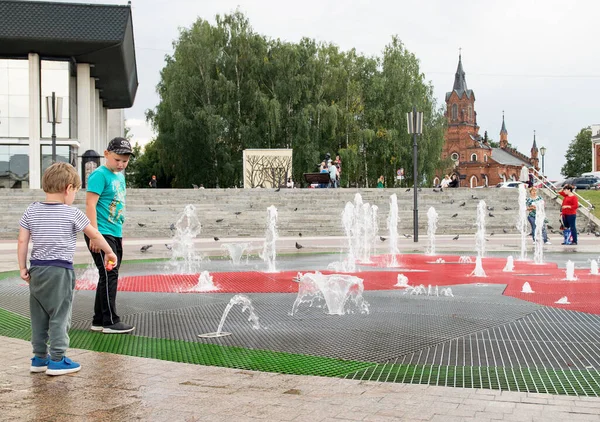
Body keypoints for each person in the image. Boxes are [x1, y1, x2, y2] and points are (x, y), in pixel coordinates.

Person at [17, 163, 118, 376]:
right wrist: (110, 253)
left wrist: (22, 268)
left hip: (37, 270)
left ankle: (39, 358)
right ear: (68, 188)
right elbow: (95, 235)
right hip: (60, 271)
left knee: (39, 316)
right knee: (60, 315)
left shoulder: (31, 210)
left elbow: (22, 241)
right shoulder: (72, 213)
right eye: (76, 192)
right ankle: (57, 360)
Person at [85, 137, 136, 334]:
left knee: (107, 275)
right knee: (110, 274)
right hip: (101, 232)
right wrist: (95, 236)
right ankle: (110, 321)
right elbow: (90, 205)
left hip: (114, 232)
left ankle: (99, 319)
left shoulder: (119, 176)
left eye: (125, 161)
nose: (121, 164)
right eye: (117, 160)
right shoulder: (99, 175)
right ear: (106, 154)